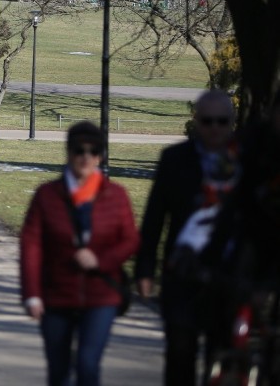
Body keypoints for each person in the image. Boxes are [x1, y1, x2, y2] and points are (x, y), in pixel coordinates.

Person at [20, 121, 139, 386]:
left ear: (100, 155)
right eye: (79, 150)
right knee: (58, 371)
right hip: (56, 294)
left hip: (101, 295)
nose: (86, 157)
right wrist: (32, 295)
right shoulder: (47, 195)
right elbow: (31, 245)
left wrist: (101, 260)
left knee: (88, 365)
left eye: (93, 150)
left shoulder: (115, 195)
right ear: (69, 152)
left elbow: (130, 240)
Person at [135, 89, 237, 386]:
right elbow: (155, 217)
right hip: (182, 271)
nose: (215, 128)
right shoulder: (175, 159)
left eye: (222, 121)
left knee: (222, 355)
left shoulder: (245, 161)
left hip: (229, 274)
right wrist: (145, 269)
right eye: (208, 121)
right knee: (181, 353)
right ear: (197, 121)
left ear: (231, 122)